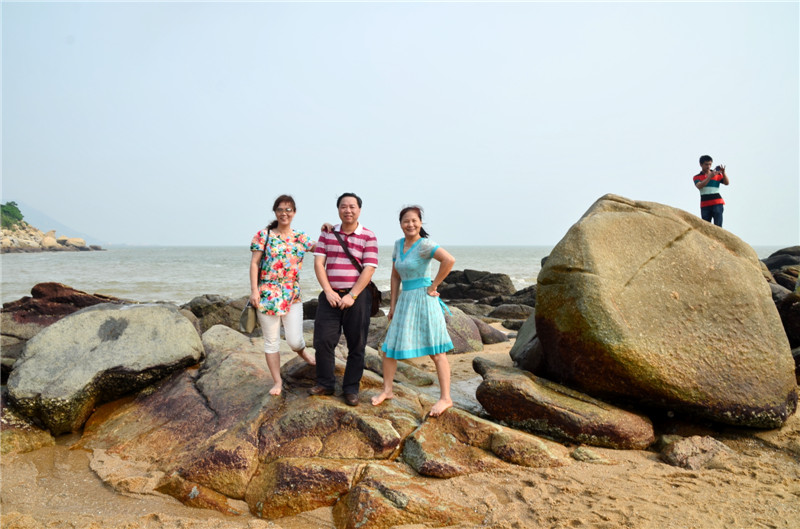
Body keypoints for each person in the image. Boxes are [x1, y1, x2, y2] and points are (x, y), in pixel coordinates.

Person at [371, 205, 456, 417]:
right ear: (400, 224)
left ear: (420, 222)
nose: (410, 224)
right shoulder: (398, 244)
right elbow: (395, 276)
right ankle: (387, 390)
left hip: (425, 300)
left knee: (437, 351)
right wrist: (392, 305)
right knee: (389, 347)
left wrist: (434, 285)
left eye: (414, 220)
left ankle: (445, 398)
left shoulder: (425, 244)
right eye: (406, 221)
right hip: (405, 301)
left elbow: (449, 260)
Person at [309, 192, 379, 407]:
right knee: (323, 341)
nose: (348, 210)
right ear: (338, 209)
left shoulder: (368, 236)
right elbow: (319, 263)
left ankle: (351, 389)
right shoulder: (327, 233)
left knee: (357, 344)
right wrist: (328, 291)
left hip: (357, 296)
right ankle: (325, 383)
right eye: (343, 206)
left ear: (359, 209)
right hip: (330, 295)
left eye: (352, 206)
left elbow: (369, 268)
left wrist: (352, 295)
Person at [249, 194, 318, 396]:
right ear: (275, 212)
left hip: (292, 294)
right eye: (280, 209)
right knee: (271, 341)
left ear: (294, 213)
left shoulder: (300, 237)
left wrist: (328, 229)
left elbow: (323, 248)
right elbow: (254, 263)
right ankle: (277, 381)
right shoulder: (264, 235)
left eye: (288, 210)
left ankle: (302, 352)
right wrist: (254, 291)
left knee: (294, 341)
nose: (284, 213)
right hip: (267, 294)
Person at [693, 155, 729, 227]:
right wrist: (710, 177)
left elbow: (726, 183)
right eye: (706, 164)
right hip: (705, 204)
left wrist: (723, 173)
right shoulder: (696, 177)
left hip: (717, 203)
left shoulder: (717, 174)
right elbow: (699, 186)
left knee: (718, 226)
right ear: (701, 164)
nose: (708, 166)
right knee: (706, 227)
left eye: (710, 164)